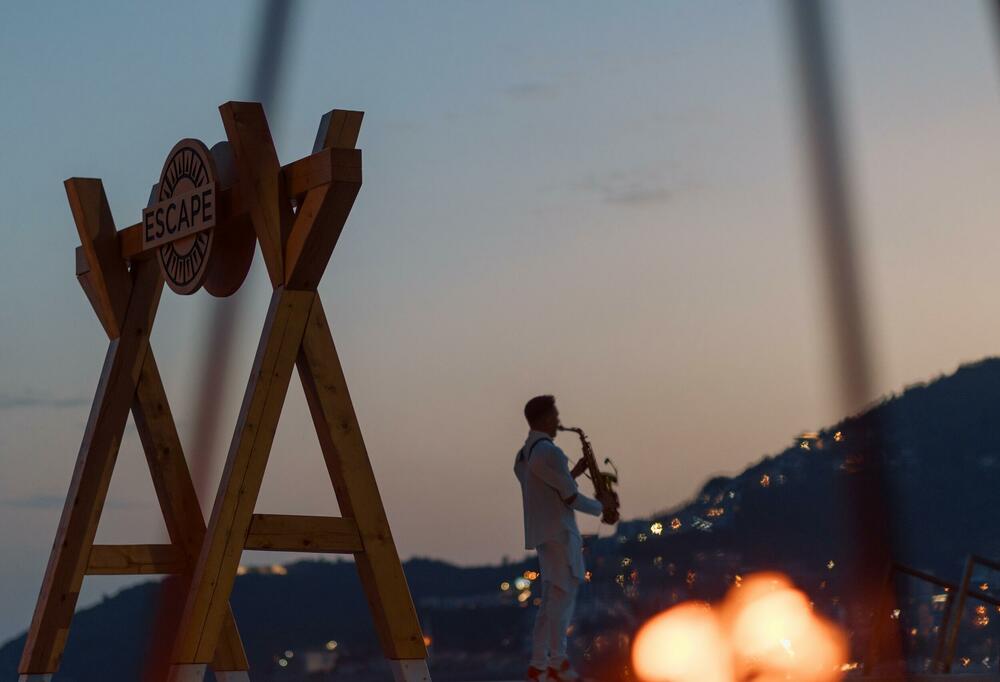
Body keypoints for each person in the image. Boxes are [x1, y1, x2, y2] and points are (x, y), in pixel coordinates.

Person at [514, 395, 620, 681]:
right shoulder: (550, 452)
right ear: (545, 419)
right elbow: (570, 497)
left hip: (543, 536)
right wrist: (603, 507)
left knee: (550, 603)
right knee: (562, 601)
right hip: (560, 535)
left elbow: (545, 488)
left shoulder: (524, 455)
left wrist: (572, 472)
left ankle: (538, 665)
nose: (559, 421)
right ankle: (557, 664)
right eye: (555, 416)